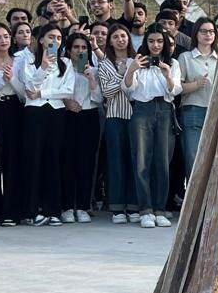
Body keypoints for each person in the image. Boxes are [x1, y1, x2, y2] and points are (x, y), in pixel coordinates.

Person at [17, 22, 76, 225]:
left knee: (53, 160)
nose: (55, 41)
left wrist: (43, 93)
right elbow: (29, 87)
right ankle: (31, 210)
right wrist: (42, 67)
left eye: (59, 38)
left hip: (56, 113)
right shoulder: (27, 62)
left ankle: (53, 209)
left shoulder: (66, 63)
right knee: (33, 160)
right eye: (51, 37)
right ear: (41, 39)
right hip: (34, 113)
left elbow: (68, 91)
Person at [124, 23, 182, 228]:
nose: (155, 45)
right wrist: (132, 69)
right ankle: (145, 209)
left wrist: (166, 74)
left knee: (162, 162)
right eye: (151, 41)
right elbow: (129, 89)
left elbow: (175, 91)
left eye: (159, 41)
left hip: (165, 110)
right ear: (145, 42)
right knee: (141, 160)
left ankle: (160, 208)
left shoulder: (172, 63)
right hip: (142, 110)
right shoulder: (137, 61)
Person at [97, 23, 139, 223]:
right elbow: (107, 92)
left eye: (123, 36)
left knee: (134, 160)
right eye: (116, 37)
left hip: (135, 116)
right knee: (115, 161)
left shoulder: (136, 60)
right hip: (114, 116)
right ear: (110, 42)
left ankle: (133, 205)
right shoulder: (104, 63)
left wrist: (124, 80)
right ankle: (117, 207)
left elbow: (136, 89)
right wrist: (127, 77)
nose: (120, 39)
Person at [0, 21, 27, 225]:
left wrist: (11, 79)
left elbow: (22, 92)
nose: (3, 40)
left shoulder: (19, 60)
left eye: (5, 36)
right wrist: (3, 79)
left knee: (14, 159)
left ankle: (12, 210)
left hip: (15, 109)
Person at [61, 31, 102, 223]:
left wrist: (91, 79)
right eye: (76, 47)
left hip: (89, 116)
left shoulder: (93, 70)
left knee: (86, 162)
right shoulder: (62, 67)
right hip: (67, 116)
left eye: (83, 48)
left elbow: (100, 98)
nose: (80, 51)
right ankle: (68, 205)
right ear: (69, 50)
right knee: (68, 161)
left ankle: (84, 205)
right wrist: (66, 101)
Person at [178, 17, 218, 179]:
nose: (208, 35)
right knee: (193, 158)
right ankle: (192, 200)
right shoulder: (186, 57)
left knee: (214, 157)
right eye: (203, 31)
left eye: (211, 31)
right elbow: (177, 88)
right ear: (196, 34)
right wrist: (196, 84)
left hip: (216, 110)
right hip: (192, 110)